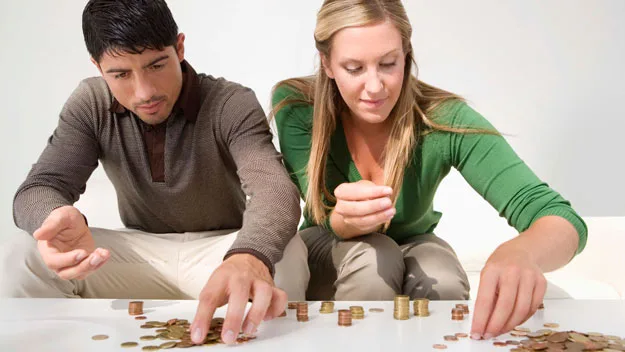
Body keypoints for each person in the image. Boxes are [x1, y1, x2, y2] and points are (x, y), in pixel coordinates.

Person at [271, 0, 586, 340]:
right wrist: (343, 222)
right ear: (327, 64)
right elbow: (320, 212)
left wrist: (520, 252)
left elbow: (560, 218)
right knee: (373, 263)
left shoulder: (443, 119)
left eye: (388, 64)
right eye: (354, 68)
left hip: (414, 243)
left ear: (406, 55)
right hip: (328, 242)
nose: (375, 87)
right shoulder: (299, 107)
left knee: (443, 279)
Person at [0, 0, 309, 345]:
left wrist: (249, 255)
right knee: (23, 253)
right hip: (135, 256)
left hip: (223, 251)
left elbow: (275, 191)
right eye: (120, 74)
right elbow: (38, 188)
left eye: (156, 65)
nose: (145, 92)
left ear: (179, 47)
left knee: (288, 255)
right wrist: (55, 217)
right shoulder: (90, 103)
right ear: (98, 67)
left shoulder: (229, 102)